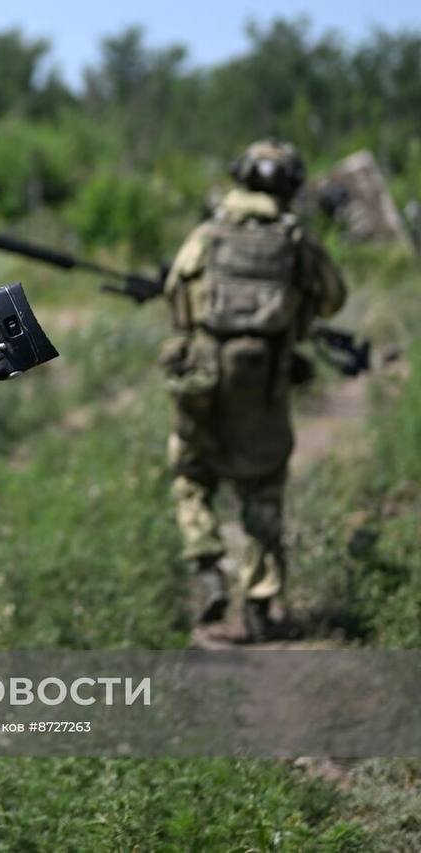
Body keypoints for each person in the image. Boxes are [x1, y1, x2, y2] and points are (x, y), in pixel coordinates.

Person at [161, 138, 347, 642]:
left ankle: (206, 565)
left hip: (201, 376)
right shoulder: (297, 241)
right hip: (264, 381)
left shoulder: (208, 233)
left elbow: (177, 299)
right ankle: (261, 603)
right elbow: (333, 298)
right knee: (261, 488)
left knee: (192, 475)